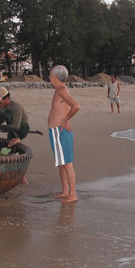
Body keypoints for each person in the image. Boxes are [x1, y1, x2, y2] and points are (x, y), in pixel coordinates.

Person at [48, 65, 80, 203]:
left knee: (67, 164)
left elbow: (76, 106)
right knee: (61, 163)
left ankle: (72, 194)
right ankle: (65, 191)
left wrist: (65, 120)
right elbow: (66, 107)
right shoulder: (58, 91)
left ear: (56, 77)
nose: (49, 77)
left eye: (50, 75)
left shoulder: (62, 90)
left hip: (60, 132)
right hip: (55, 132)